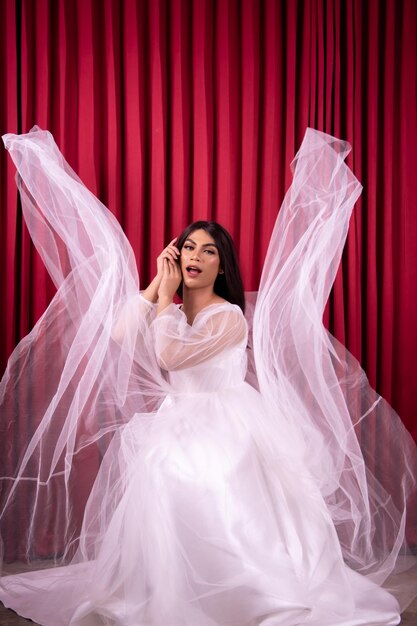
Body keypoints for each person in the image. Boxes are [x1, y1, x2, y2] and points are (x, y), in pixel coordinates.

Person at [0, 127, 416, 626]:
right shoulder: (170, 310)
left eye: (208, 252)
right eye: (188, 248)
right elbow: (119, 334)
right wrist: (158, 283)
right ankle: (171, 586)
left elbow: (172, 359)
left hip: (227, 421)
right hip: (178, 418)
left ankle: (240, 589)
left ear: (221, 267)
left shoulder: (228, 317)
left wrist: (164, 300)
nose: (195, 257)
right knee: (160, 477)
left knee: (206, 481)